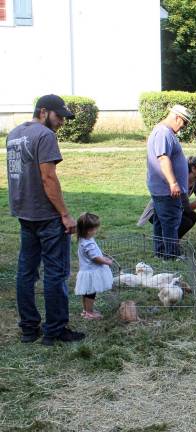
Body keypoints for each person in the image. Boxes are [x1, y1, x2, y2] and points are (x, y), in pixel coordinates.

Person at [6, 94, 85, 345]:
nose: (61, 121)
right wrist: (65, 214)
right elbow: (48, 178)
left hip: (24, 213)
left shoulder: (14, 134)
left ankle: (29, 328)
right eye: (58, 116)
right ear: (43, 112)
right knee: (56, 273)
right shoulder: (45, 136)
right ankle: (55, 330)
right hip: (47, 215)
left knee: (25, 273)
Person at [138, 155, 196, 238]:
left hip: (172, 211)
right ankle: (169, 242)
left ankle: (172, 241)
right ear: (193, 168)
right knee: (185, 222)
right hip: (157, 212)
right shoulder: (181, 181)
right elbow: (187, 208)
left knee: (192, 216)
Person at [146, 104, 191, 258]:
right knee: (171, 222)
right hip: (166, 189)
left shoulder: (164, 132)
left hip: (162, 188)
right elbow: (163, 158)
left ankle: (160, 252)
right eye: (184, 122)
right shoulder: (163, 132)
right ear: (177, 117)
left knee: (160, 221)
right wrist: (173, 183)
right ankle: (171, 256)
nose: (184, 126)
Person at [74, 213, 113, 320]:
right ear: (88, 230)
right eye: (95, 228)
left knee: (87, 292)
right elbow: (95, 258)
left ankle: (86, 310)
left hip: (87, 270)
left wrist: (102, 256)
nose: (96, 230)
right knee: (91, 293)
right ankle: (90, 313)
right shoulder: (88, 243)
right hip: (92, 271)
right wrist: (106, 261)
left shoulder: (84, 239)